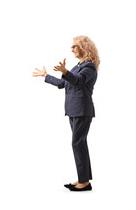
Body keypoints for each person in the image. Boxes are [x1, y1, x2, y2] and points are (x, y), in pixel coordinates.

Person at [33, 35, 100, 191]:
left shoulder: (89, 67)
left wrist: (65, 70)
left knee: (77, 143)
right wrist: (46, 76)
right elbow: (63, 83)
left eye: (74, 46)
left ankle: (84, 182)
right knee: (79, 144)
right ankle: (83, 180)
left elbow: (77, 80)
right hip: (73, 110)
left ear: (84, 47)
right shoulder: (77, 67)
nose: (71, 50)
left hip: (82, 110)